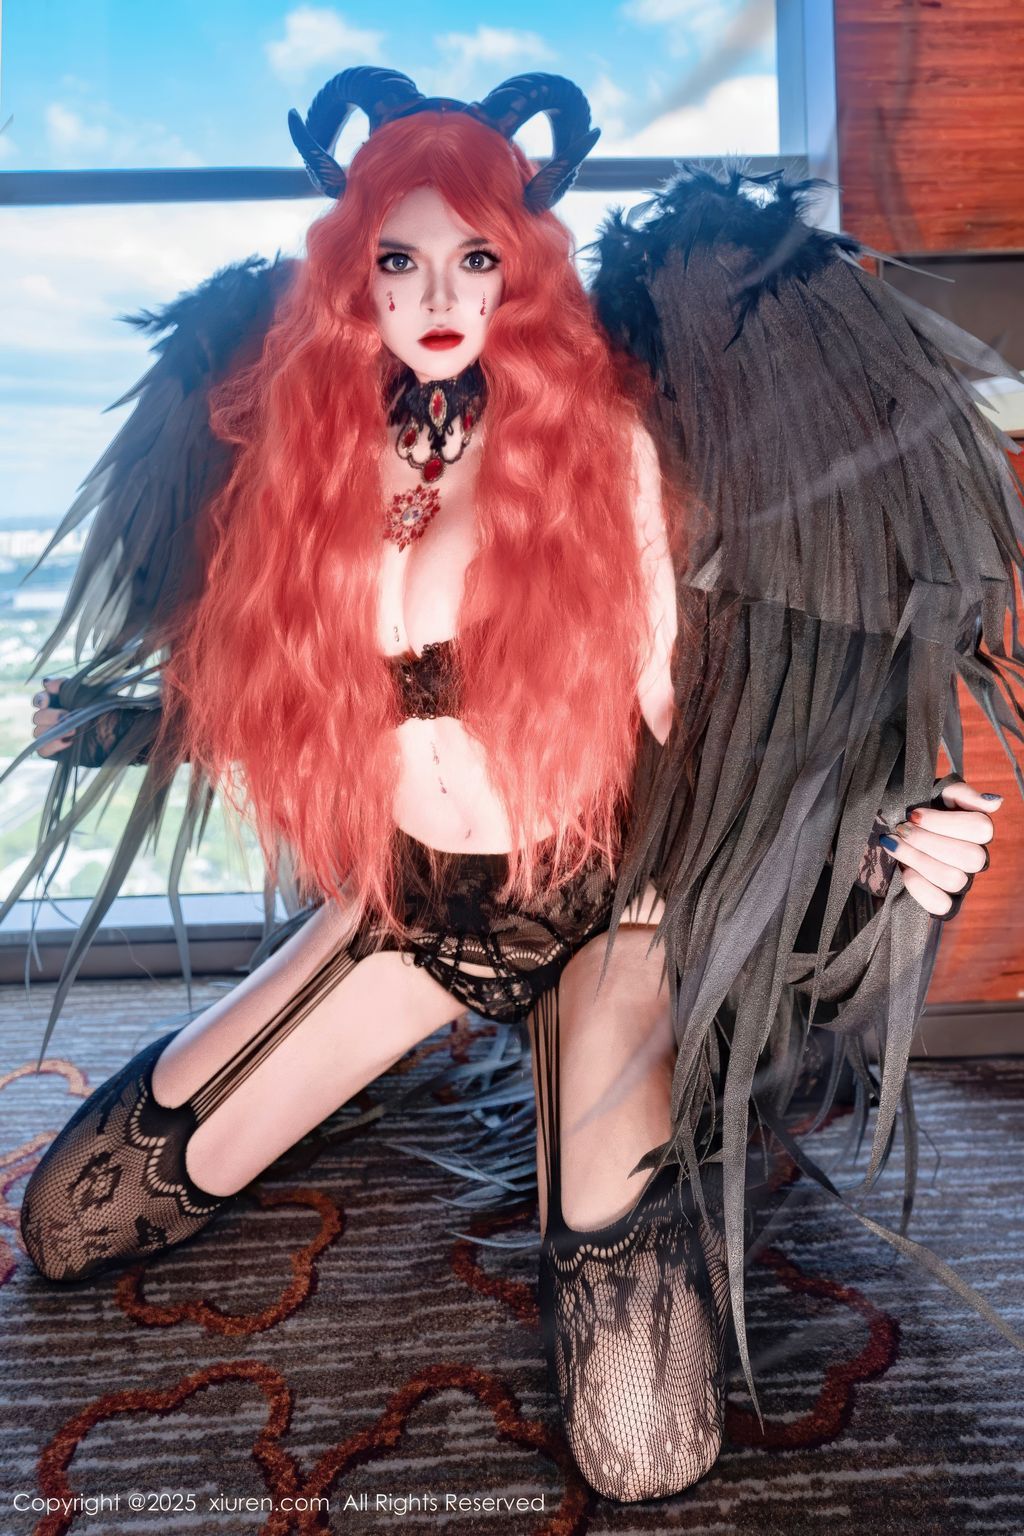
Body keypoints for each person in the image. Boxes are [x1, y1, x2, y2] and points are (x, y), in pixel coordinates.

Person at [12, 69, 1020, 1504]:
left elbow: (716, 707)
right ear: (353, 270)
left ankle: (631, 1092)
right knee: (72, 1220)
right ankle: (399, 1070)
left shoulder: (605, 439)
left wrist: (870, 842)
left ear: (524, 263)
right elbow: (268, 686)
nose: (439, 294)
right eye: (401, 259)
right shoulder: (314, 455)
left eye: (476, 256)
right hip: (414, 909)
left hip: (605, 901)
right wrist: (119, 725)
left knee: (642, 1443)